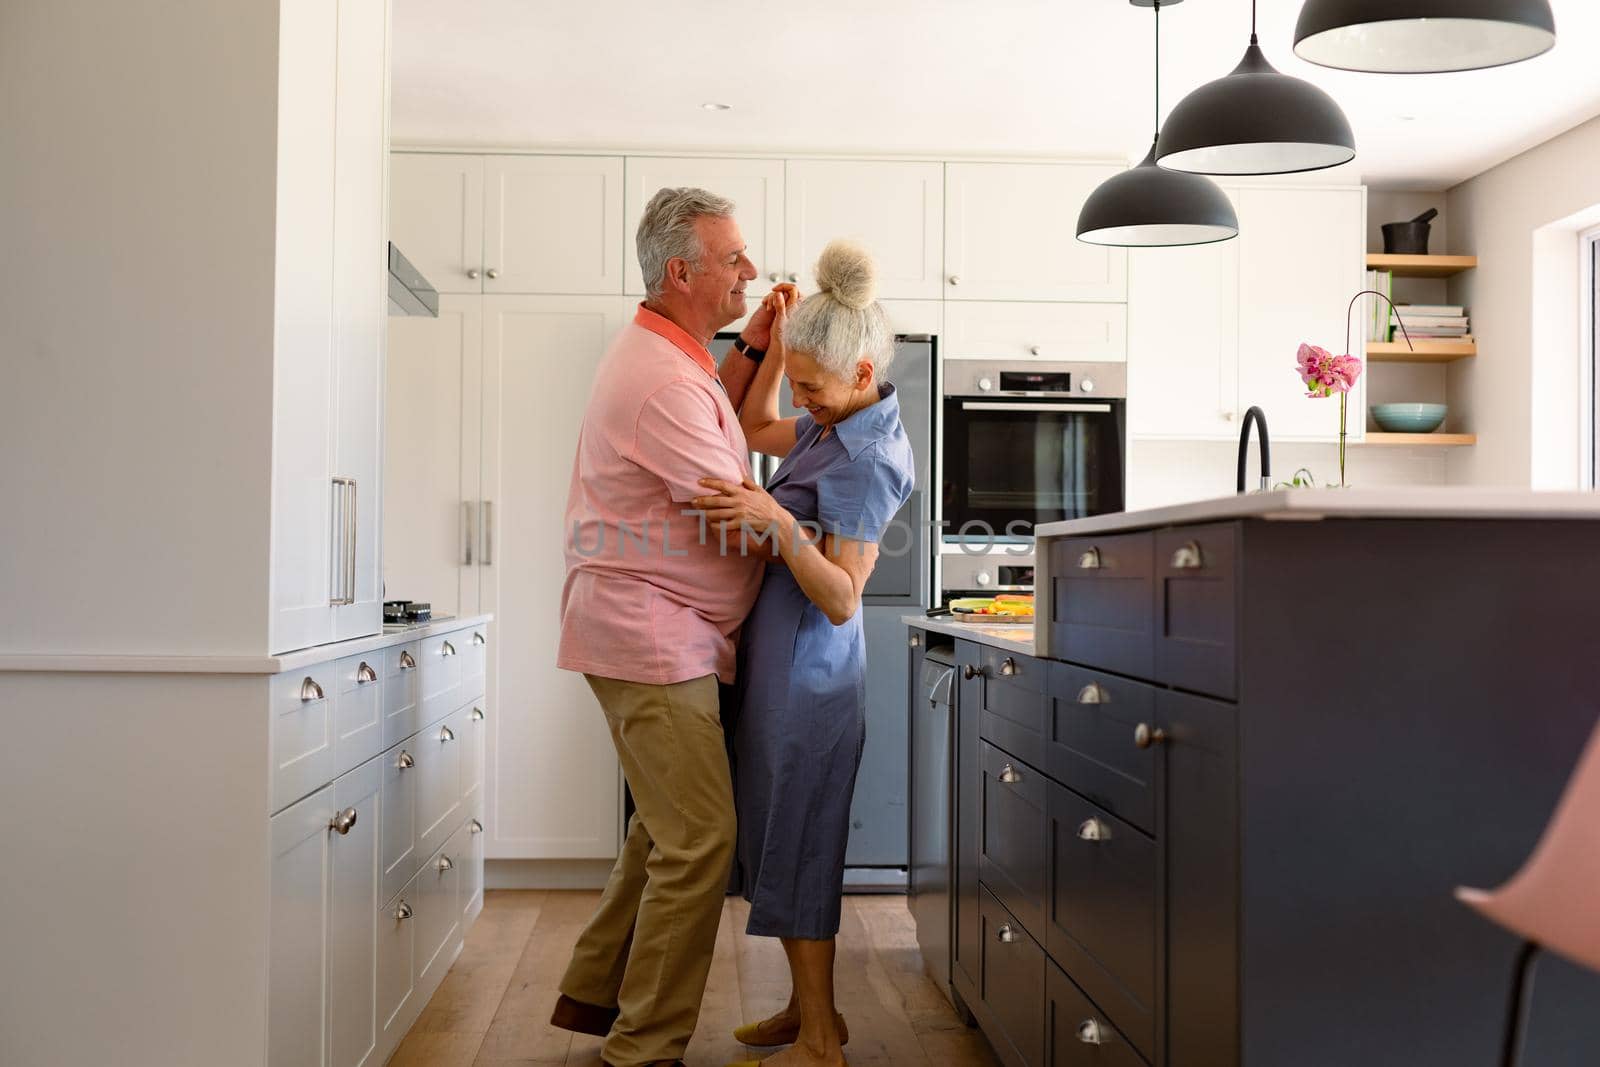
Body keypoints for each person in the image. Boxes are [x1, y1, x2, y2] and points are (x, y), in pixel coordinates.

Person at [553, 186, 799, 1067]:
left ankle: (595, 993)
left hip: (655, 630)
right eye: (735, 258)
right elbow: (736, 515)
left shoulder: (677, 357)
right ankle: (643, 1047)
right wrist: (815, 538)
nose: (752, 270)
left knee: (663, 829)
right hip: (652, 638)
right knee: (701, 840)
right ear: (681, 270)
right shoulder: (660, 380)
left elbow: (720, 423)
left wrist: (755, 348)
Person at [691, 240, 915, 1067]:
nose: (804, 401)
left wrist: (777, 522)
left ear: (861, 373)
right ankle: (803, 1008)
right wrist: (775, 341)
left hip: (811, 675)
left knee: (803, 842)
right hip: (781, 668)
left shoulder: (865, 458)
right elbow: (752, 424)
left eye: (814, 385)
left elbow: (843, 593)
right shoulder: (835, 423)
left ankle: (822, 1038)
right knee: (783, 836)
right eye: (802, 383)